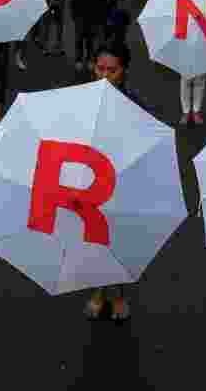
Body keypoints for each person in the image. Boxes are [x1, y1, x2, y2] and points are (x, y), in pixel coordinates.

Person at [84, 40, 144, 322]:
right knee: (92, 240)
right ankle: (97, 290)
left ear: (124, 71)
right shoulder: (79, 101)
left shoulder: (134, 104)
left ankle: (118, 294)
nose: (104, 76)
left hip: (122, 182)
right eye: (100, 69)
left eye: (112, 70)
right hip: (87, 182)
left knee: (117, 240)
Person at [156, 0, 206, 126]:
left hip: (203, 41)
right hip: (185, 41)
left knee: (200, 79)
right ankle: (186, 111)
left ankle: (196, 111)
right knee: (186, 78)